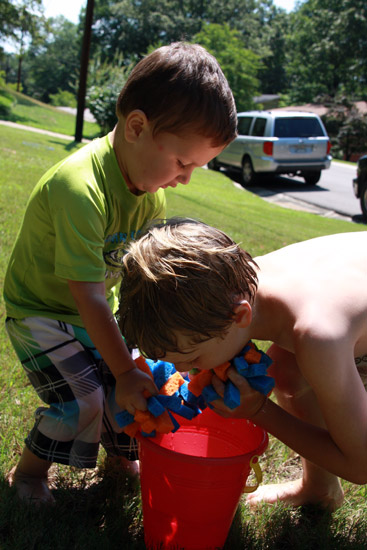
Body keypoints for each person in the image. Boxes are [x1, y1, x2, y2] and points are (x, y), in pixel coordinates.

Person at [3, 44, 236, 505]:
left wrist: (138, 358)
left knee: (137, 382)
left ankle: (119, 456)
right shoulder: (80, 188)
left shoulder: (150, 195)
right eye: (183, 163)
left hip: (93, 312)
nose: (186, 179)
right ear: (136, 127)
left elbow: (132, 285)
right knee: (84, 400)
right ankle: (28, 475)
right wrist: (124, 369)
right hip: (41, 314)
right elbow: (89, 297)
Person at [118, 218, 367, 511]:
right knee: (285, 373)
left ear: (240, 316)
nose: (185, 371)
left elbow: (360, 467)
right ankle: (320, 488)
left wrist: (259, 410)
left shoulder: (318, 336)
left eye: (193, 358)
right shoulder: (231, 280)